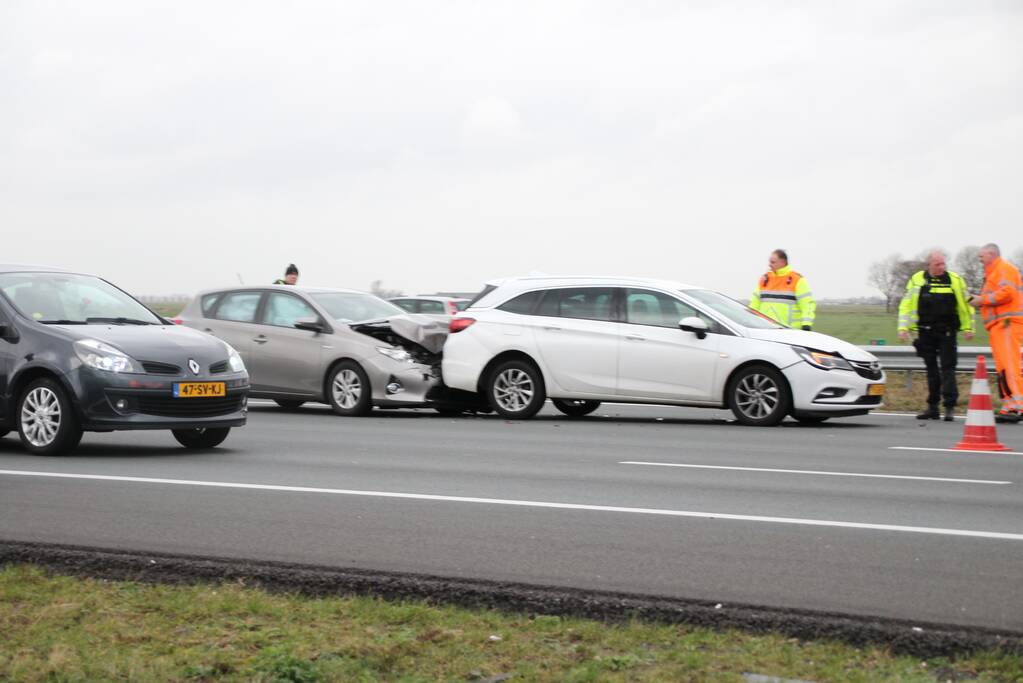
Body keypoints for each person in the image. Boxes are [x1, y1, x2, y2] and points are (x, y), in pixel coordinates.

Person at [897, 250, 974, 421]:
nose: (941, 267)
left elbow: (966, 306)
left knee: (948, 369)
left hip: (947, 332)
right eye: (938, 264)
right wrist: (903, 327)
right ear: (929, 265)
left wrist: (969, 328)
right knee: (931, 371)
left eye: (943, 264)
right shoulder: (917, 279)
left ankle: (949, 407)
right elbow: (906, 304)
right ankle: (932, 407)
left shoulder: (954, 280)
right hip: (925, 332)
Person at [969, 243, 1023, 423]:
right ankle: (1010, 405)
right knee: (1004, 368)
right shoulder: (993, 272)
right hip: (999, 325)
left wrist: (981, 300)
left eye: (981, 256)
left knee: (1009, 366)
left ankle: (1017, 406)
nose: (979, 259)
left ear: (992, 254)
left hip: (1007, 323)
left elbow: (1007, 293)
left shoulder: (1004, 269)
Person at [749, 249, 816, 330]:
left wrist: (806, 324)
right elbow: (754, 304)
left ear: (783, 262)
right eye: (769, 262)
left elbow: (807, 304)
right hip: (765, 330)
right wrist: (749, 321)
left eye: (773, 262)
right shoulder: (764, 279)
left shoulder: (797, 279)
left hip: (790, 331)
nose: (769, 265)